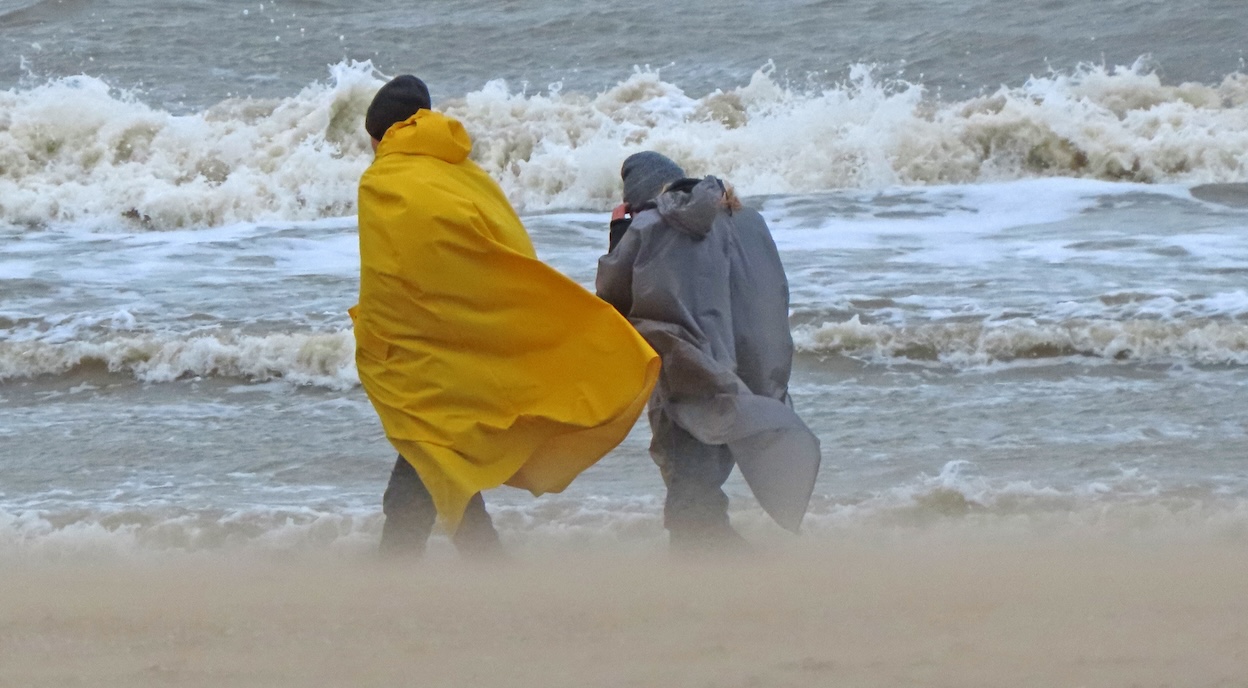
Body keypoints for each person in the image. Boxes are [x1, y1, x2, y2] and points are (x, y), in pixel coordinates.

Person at [351, 75, 660, 558]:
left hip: (426, 368)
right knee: (438, 468)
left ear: (381, 133)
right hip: (473, 357)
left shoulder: (383, 181)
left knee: (423, 471)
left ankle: (410, 582)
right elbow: (508, 263)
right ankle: (473, 575)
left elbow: (391, 282)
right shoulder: (467, 176)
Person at [596, 151, 821, 551]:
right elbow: (772, 292)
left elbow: (612, 297)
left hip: (686, 365)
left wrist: (619, 234)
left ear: (637, 196)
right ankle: (717, 572)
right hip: (742, 363)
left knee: (687, 478)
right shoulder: (747, 221)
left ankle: (715, 577)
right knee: (700, 476)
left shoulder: (649, 227)